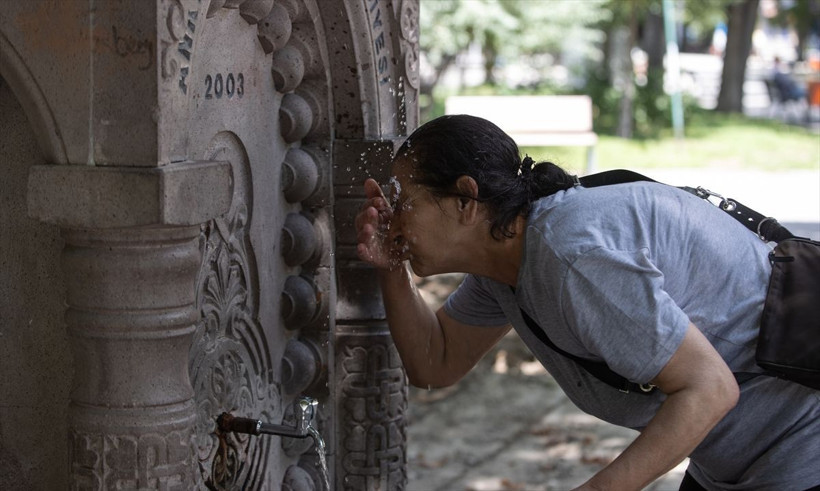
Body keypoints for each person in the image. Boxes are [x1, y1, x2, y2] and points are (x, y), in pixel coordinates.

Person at [355, 114, 819, 491]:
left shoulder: (570, 257)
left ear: (465, 200)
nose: (394, 221)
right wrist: (390, 267)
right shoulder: (504, 266)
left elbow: (710, 389)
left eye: (406, 201)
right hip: (737, 460)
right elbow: (435, 362)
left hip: (800, 446)